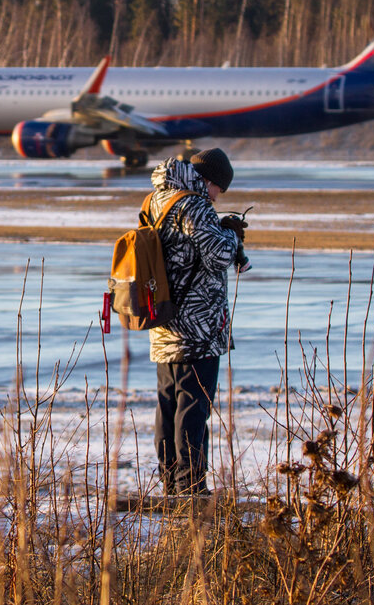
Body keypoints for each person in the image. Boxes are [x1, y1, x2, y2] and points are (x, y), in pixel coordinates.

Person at [145, 147, 246, 496]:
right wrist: (233, 235)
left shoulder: (158, 200)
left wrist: (216, 228)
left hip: (164, 322)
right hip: (198, 327)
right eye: (219, 189)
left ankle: (172, 482)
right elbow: (217, 256)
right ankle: (191, 486)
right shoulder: (194, 204)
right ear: (208, 180)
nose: (218, 198)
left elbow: (181, 251)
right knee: (193, 406)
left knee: (169, 403)